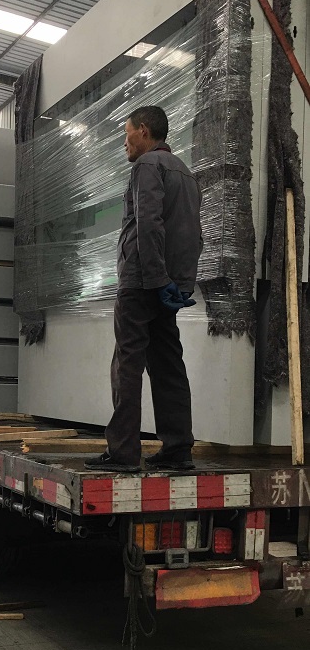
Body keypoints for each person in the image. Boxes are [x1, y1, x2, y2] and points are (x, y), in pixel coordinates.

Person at [85, 106, 203, 473]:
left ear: (144, 131)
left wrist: (155, 279)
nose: (125, 142)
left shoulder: (146, 166)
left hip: (141, 282)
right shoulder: (185, 173)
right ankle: (178, 448)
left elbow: (149, 224)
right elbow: (193, 234)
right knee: (168, 365)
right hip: (168, 287)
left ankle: (123, 452)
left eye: (128, 133)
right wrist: (179, 284)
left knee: (128, 363)